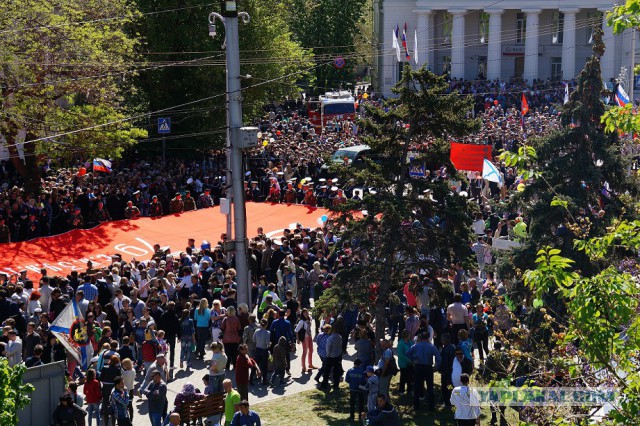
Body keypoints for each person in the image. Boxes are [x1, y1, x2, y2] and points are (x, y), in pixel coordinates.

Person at [405, 331, 441, 412]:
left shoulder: (416, 346)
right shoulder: (431, 346)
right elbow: (439, 358)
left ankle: (416, 405)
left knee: (417, 386)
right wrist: (436, 367)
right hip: (428, 367)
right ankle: (431, 406)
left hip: (418, 367)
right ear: (428, 337)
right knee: (430, 387)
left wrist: (414, 359)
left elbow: (407, 353)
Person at [321, 323, 343, 391]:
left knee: (327, 371)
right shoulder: (339, 336)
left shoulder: (331, 338)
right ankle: (336, 384)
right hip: (337, 355)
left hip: (331, 357)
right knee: (336, 371)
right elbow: (340, 346)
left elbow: (328, 348)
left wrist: (328, 356)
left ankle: (324, 384)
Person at [345, 359, 366, 424]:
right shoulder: (362, 371)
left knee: (352, 404)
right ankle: (360, 417)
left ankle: (351, 417)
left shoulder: (350, 371)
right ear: (360, 364)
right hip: (360, 389)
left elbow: (347, 380)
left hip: (352, 389)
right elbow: (364, 381)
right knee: (361, 404)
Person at [294, 308, 315, 372]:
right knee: (305, 352)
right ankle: (303, 367)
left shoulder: (309, 318)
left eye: (307, 312)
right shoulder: (301, 321)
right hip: (305, 337)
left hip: (310, 336)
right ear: (302, 314)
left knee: (311, 350)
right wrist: (297, 339)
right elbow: (296, 330)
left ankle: (310, 364)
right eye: (305, 313)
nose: (306, 314)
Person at [439, 333, 456, 407]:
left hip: (447, 372)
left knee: (445, 388)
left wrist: (443, 371)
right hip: (452, 371)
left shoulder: (446, 349)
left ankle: (447, 403)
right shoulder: (452, 347)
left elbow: (445, 362)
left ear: (444, 341)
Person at [252, 318, 271, 385]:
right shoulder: (267, 333)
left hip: (257, 349)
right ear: (266, 324)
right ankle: (264, 380)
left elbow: (253, 340)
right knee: (264, 365)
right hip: (264, 350)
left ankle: (251, 378)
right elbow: (267, 343)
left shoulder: (256, 331)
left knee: (255, 364)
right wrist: (270, 344)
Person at [397, 329, 414, 395]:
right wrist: (408, 361)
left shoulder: (410, 342)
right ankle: (401, 390)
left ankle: (409, 390)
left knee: (410, 377)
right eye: (409, 334)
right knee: (403, 377)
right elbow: (400, 355)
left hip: (411, 363)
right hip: (403, 363)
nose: (410, 335)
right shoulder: (401, 343)